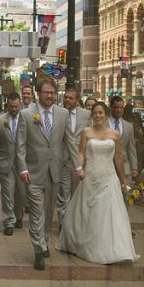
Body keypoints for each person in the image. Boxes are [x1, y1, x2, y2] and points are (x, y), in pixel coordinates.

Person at [56, 101, 139, 264]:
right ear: (92, 116)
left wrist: (124, 179)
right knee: (89, 213)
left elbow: (119, 158)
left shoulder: (115, 134)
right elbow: (81, 153)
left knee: (109, 214)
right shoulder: (86, 132)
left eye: (101, 113)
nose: (98, 116)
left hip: (109, 178)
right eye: (95, 113)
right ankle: (87, 245)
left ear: (106, 115)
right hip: (90, 176)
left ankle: (114, 250)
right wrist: (79, 168)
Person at [17, 78, 76, 271]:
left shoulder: (63, 114)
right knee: (36, 212)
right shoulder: (26, 115)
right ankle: (38, 250)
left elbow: (70, 142)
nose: (49, 96)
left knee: (49, 212)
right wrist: (23, 168)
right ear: (38, 93)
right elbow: (21, 146)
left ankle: (45, 241)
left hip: (55, 172)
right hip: (33, 173)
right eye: (46, 93)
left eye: (52, 93)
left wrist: (78, 166)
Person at [0, 92, 27, 235]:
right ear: (7, 105)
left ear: (20, 104)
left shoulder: (27, 119)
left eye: (16, 106)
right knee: (7, 194)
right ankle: (8, 221)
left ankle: (18, 215)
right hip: (5, 163)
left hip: (23, 164)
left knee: (21, 194)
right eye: (11, 107)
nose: (14, 109)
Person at [57, 86, 89, 226]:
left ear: (77, 100)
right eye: (66, 97)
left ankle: (74, 223)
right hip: (63, 161)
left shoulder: (86, 115)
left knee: (76, 195)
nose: (67, 100)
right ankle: (63, 225)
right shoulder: (57, 113)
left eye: (71, 98)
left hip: (80, 161)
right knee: (63, 195)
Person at [109, 95, 138, 187]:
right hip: (108, 165)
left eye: (121, 108)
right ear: (111, 107)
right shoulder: (104, 123)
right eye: (116, 107)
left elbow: (131, 148)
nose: (119, 110)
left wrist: (134, 167)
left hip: (124, 167)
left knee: (126, 195)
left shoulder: (128, 126)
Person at [123, 104, 144, 177]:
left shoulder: (122, 124)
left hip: (128, 151)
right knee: (136, 173)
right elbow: (142, 139)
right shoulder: (135, 125)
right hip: (136, 150)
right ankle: (138, 186)